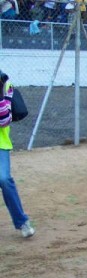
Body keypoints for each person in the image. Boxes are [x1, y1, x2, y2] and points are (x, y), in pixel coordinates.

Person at [0, 71, 35, 238]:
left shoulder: (5, 85)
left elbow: (5, 120)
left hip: (1, 143)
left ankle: (22, 222)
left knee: (4, 179)